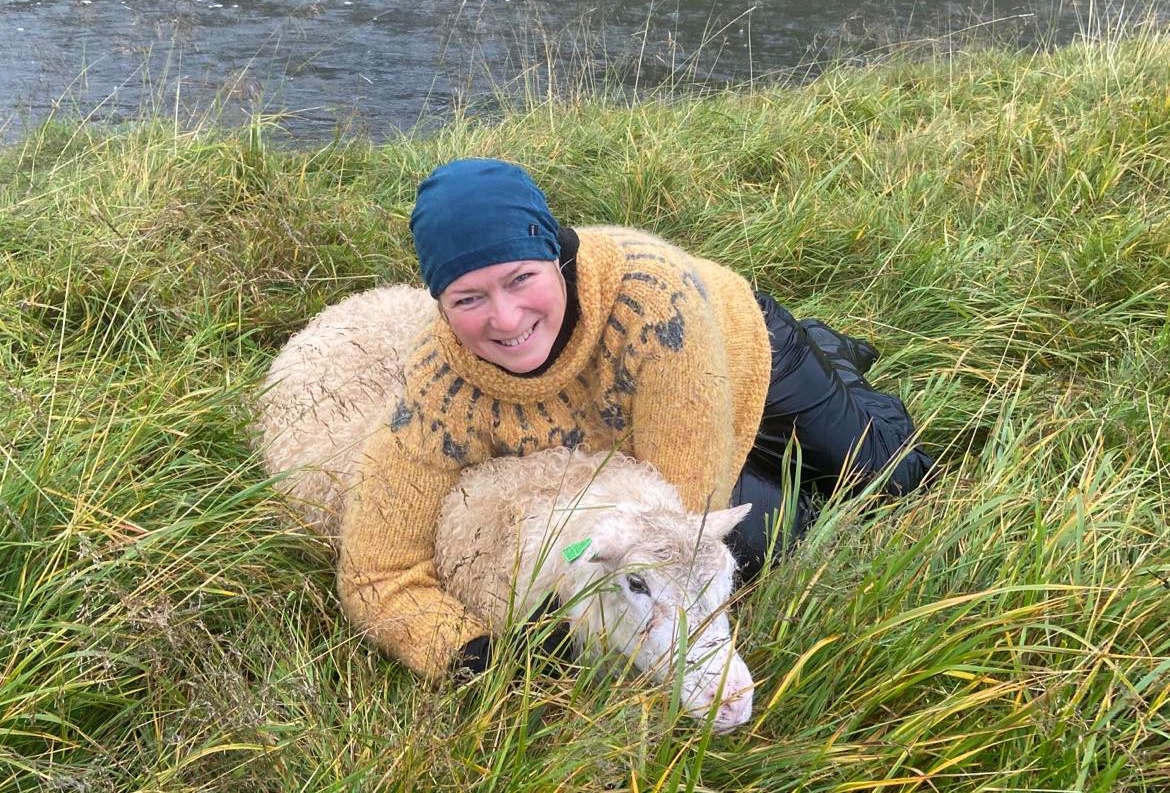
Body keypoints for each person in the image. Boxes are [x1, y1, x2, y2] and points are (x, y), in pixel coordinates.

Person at [338, 158, 934, 679]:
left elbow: (682, 526)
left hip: (737, 350)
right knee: (770, 529)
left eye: (521, 278)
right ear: (440, 305)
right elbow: (376, 573)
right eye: (469, 298)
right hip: (632, 432)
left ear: (555, 255)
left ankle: (830, 356)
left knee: (894, 478)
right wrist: (474, 655)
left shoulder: (652, 306)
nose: (506, 316)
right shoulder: (436, 391)